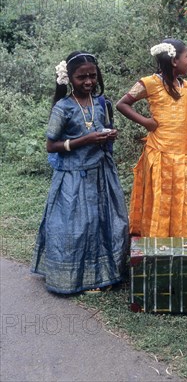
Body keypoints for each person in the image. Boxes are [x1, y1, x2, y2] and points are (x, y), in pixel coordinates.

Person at [31, 51, 129, 294]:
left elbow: (106, 130)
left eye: (92, 76)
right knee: (78, 227)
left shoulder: (102, 103)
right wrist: (85, 140)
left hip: (101, 174)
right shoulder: (62, 108)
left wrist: (109, 135)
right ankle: (75, 277)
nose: (88, 82)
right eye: (81, 77)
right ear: (69, 79)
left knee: (106, 223)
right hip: (74, 178)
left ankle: (104, 274)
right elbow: (51, 145)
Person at [116, 38, 187, 237]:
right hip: (160, 153)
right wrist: (146, 122)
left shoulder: (186, 87)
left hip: (184, 153)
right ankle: (160, 240)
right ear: (174, 61)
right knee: (163, 200)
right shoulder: (149, 83)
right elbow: (122, 104)